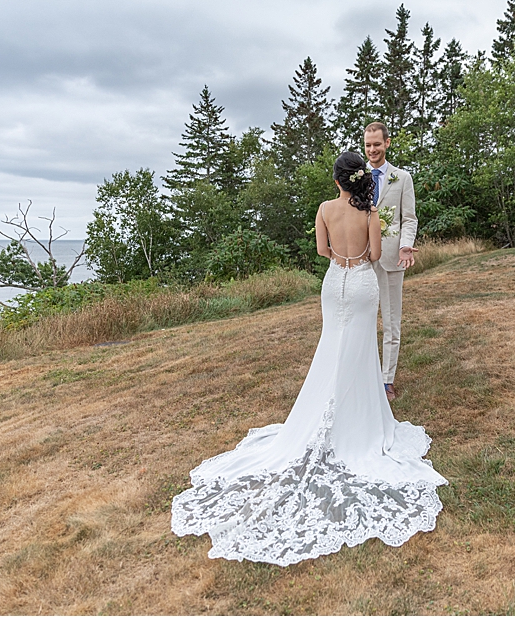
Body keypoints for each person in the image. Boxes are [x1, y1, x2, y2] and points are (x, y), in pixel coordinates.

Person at [171, 150, 446, 567]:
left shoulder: (323, 209)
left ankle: (320, 413)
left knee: (331, 346)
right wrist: (368, 236)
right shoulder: (371, 214)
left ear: (337, 181)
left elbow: (321, 250)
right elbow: (374, 257)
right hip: (361, 286)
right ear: (359, 179)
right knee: (356, 350)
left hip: (334, 282)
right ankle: (360, 420)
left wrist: (340, 256)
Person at [364, 121, 418, 401]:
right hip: (361, 259)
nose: (372, 150)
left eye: (377, 144)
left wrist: (406, 246)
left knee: (391, 322)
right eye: (368, 145)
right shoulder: (356, 177)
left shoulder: (402, 178)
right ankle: (366, 376)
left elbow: (408, 219)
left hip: (391, 258)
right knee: (363, 321)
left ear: (387, 143)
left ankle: (387, 381)